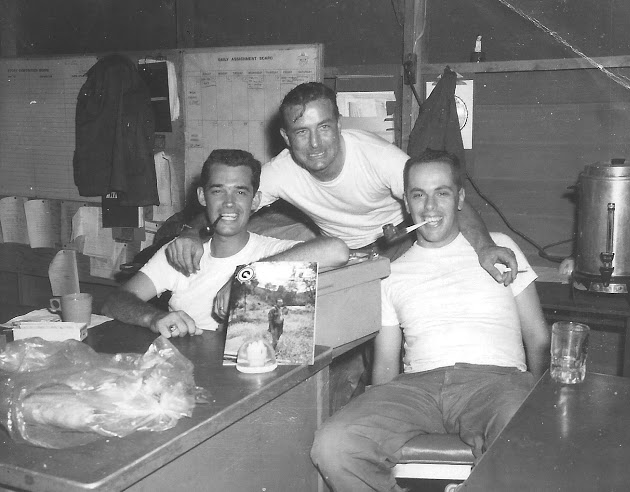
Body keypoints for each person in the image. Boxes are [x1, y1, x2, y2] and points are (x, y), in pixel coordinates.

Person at [310, 149, 550, 492]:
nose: (430, 206)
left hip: (496, 383)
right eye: (419, 195)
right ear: (406, 204)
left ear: (460, 198)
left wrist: (540, 401)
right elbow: (385, 366)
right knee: (333, 445)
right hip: (417, 389)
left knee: (520, 437)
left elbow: (538, 339)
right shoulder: (391, 273)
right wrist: (376, 411)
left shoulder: (499, 247)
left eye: (442, 193)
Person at [165, 82, 518, 286]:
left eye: (323, 128)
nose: (315, 144)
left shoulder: (378, 156)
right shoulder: (280, 171)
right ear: (286, 137)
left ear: (338, 124)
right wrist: (190, 232)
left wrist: (485, 247)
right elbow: (229, 203)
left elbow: (444, 201)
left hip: (399, 242)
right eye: (302, 132)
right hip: (336, 251)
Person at [102, 149, 349, 337]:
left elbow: (336, 250)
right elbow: (114, 302)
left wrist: (245, 279)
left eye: (240, 192)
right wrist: (154, 318)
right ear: (202, 197)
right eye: (218, 191)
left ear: (255, 201)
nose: (229, 203)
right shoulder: (182, 252)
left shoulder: (271, 252)